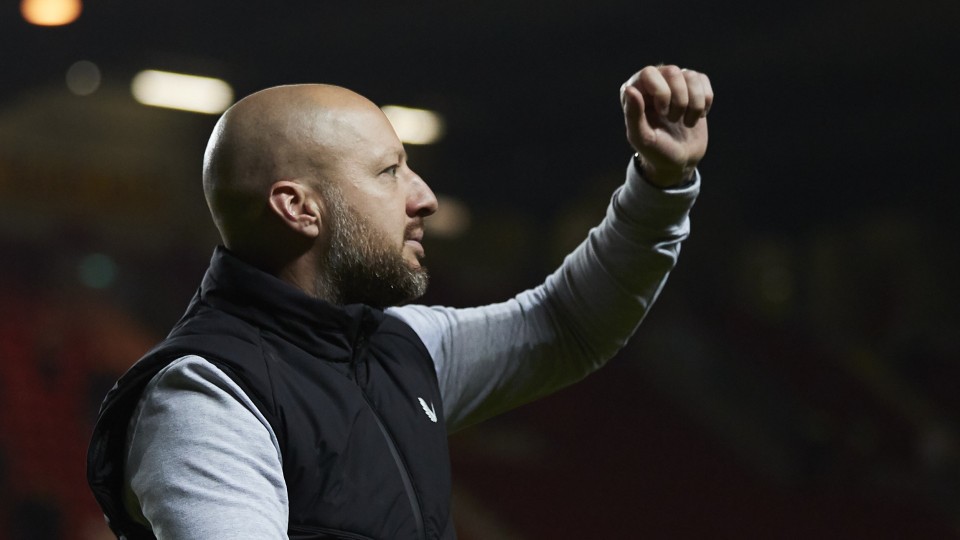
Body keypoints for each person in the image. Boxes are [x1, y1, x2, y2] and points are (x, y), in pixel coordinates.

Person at [87, 64, 713, 539]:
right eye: (389, 173)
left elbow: (566, 324)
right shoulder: (204, 397)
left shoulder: (399, 347)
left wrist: (660, 185)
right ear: (298, 207)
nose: (425, 198)